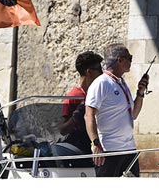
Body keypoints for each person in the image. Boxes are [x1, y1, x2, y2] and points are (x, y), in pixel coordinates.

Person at [84, 43, 149, 177]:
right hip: (109, 150)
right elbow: (89, 115)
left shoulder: (121, 83)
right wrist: (95, 143)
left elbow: (133, 114)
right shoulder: (101, 83)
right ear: (120, 60)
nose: (131, 61)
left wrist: (140, 93)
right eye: (129, 58)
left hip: (129, 149)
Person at [59, 51, 103, 156]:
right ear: (89, 72)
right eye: (99, 69)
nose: (102, 73)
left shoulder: (99, 92)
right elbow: (62, 130)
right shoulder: (73, 96)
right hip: (82, 147)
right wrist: (75, 117)